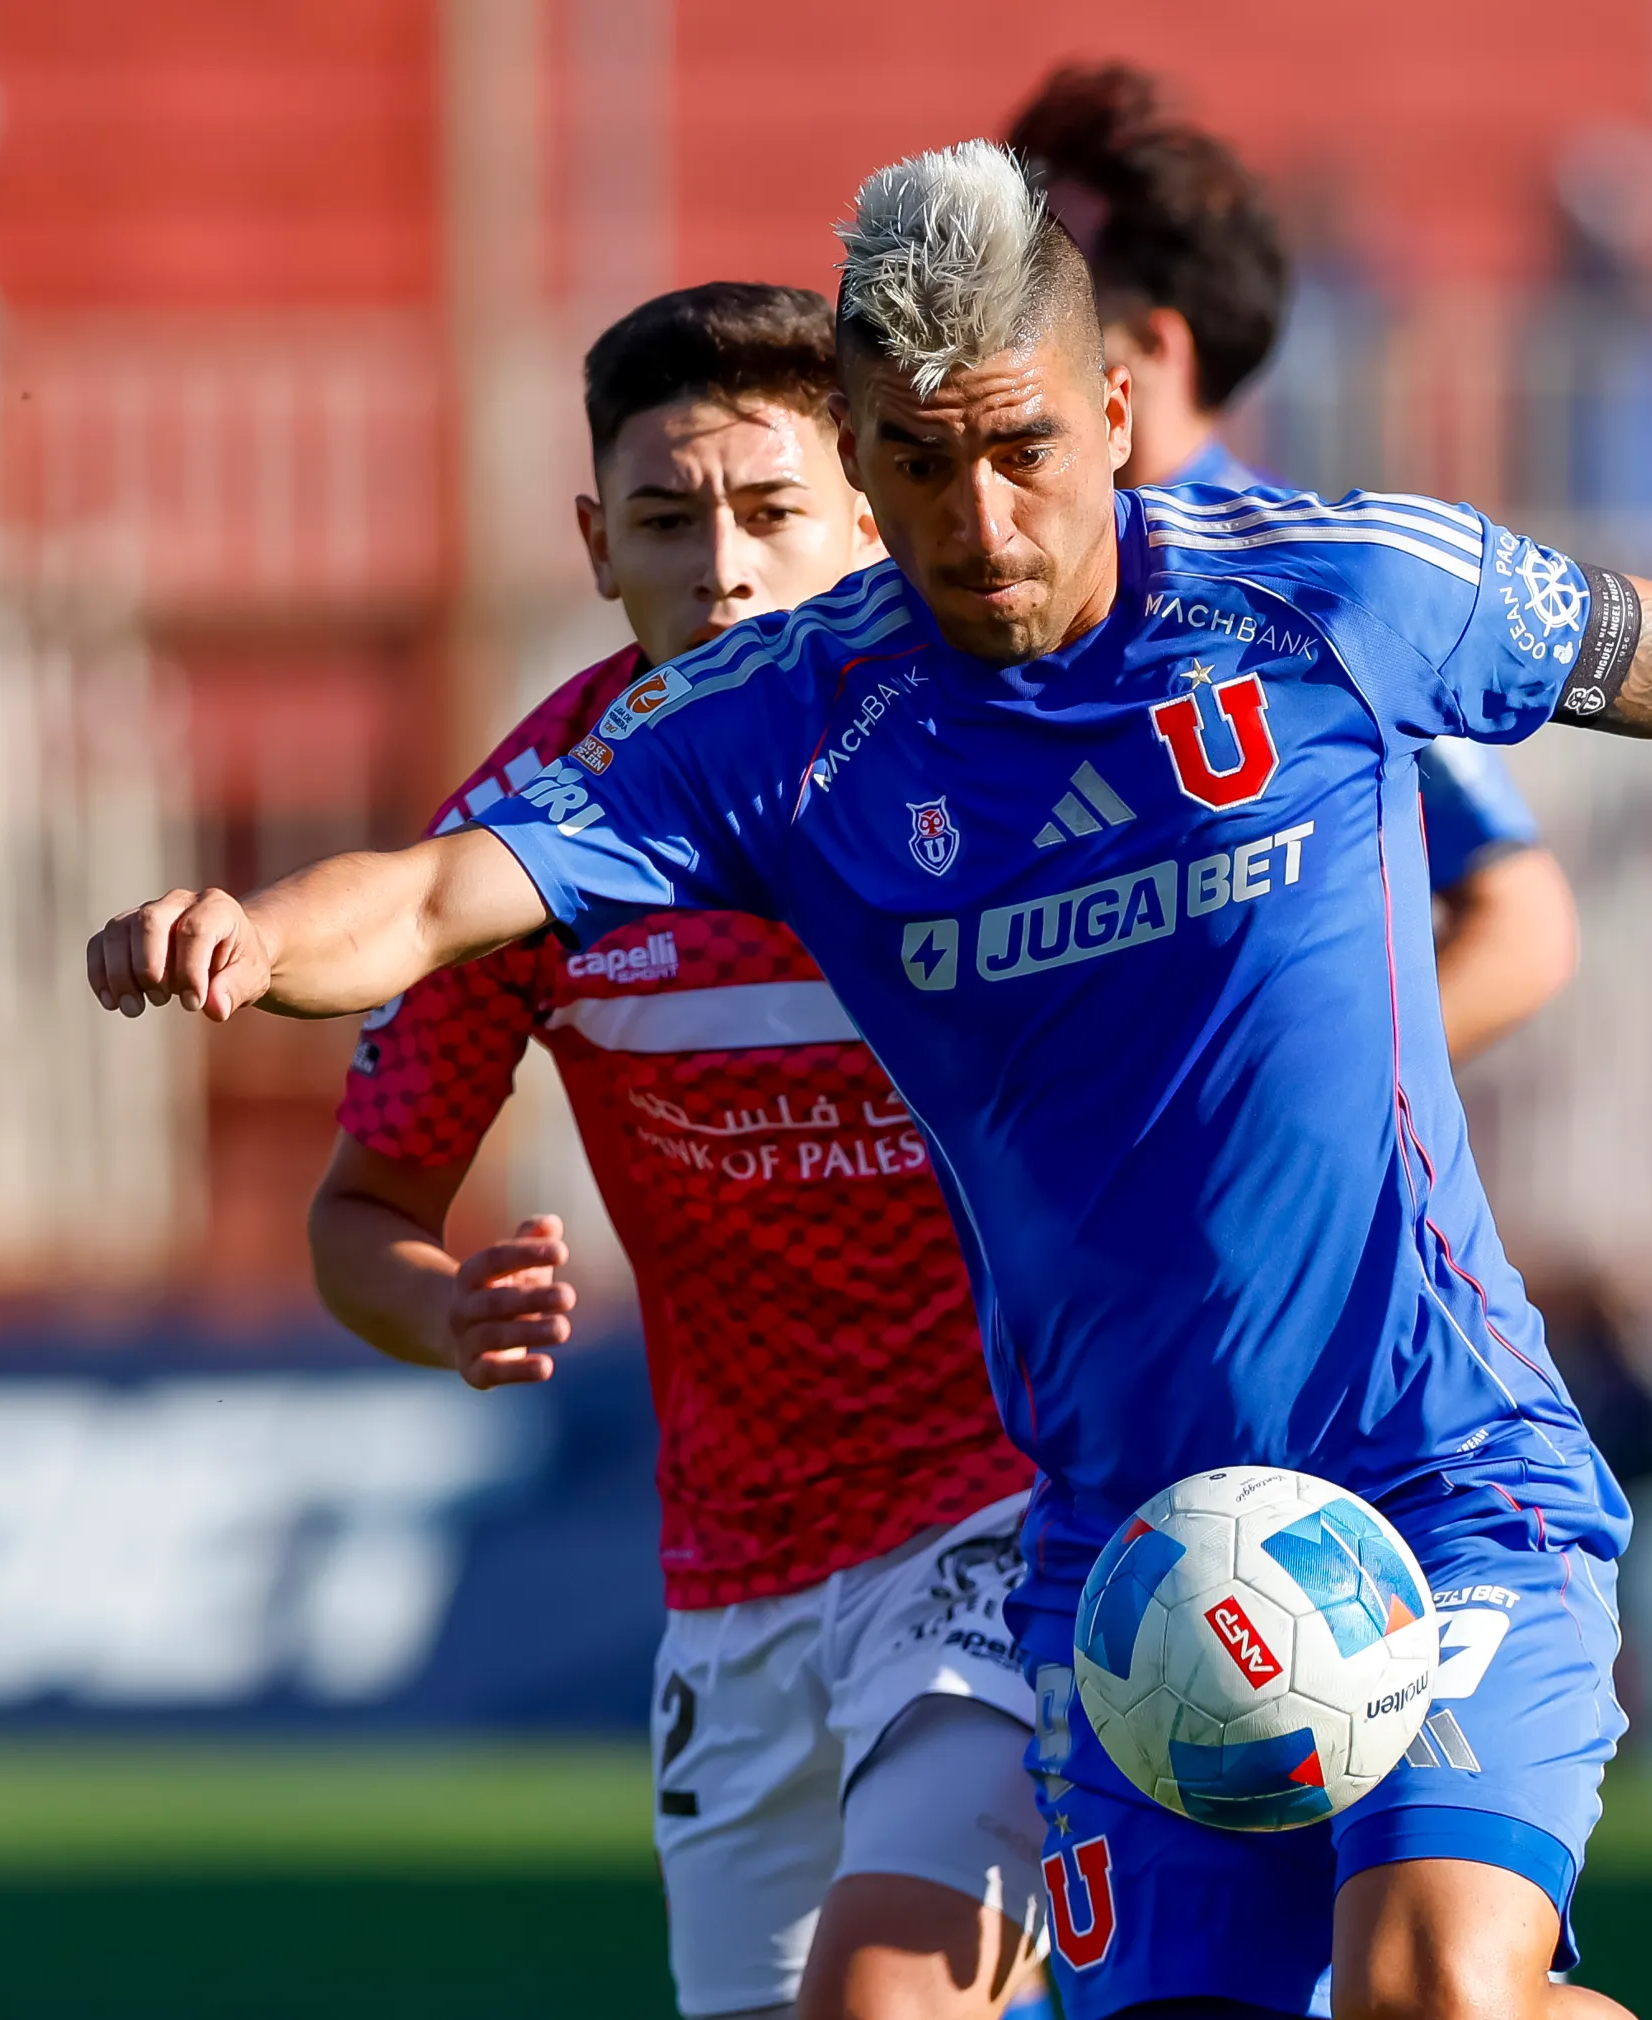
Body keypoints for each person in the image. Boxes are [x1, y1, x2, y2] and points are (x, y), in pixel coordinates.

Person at [88, 144, 1652, 2020]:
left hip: (1441, 1477)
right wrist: (261, 934)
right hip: (1126, 1545)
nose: (972, 523)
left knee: (1436, 1979)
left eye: (1013, 454)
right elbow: (454, 880)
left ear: (1108, 416)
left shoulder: (1324, 591)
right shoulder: (782, 722)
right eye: (912, 466)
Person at [303, 282, 1048, 2020]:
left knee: (888, 2000)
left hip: (1014, 1515)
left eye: (772, 510)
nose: (721, 565)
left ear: (865, 511)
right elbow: (362, 1210)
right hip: (735, 1585)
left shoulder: (1011, 775)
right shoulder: (530, 835)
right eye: (666, 518)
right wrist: (441, 1310)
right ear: (593, 544)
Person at [1008, 62, 1576, 1061]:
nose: (984, 317)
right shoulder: (937, 579)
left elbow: (1525, 924)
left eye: (1038, 281)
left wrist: (1299, 1108)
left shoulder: (1317, 594)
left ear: (1145, 350)